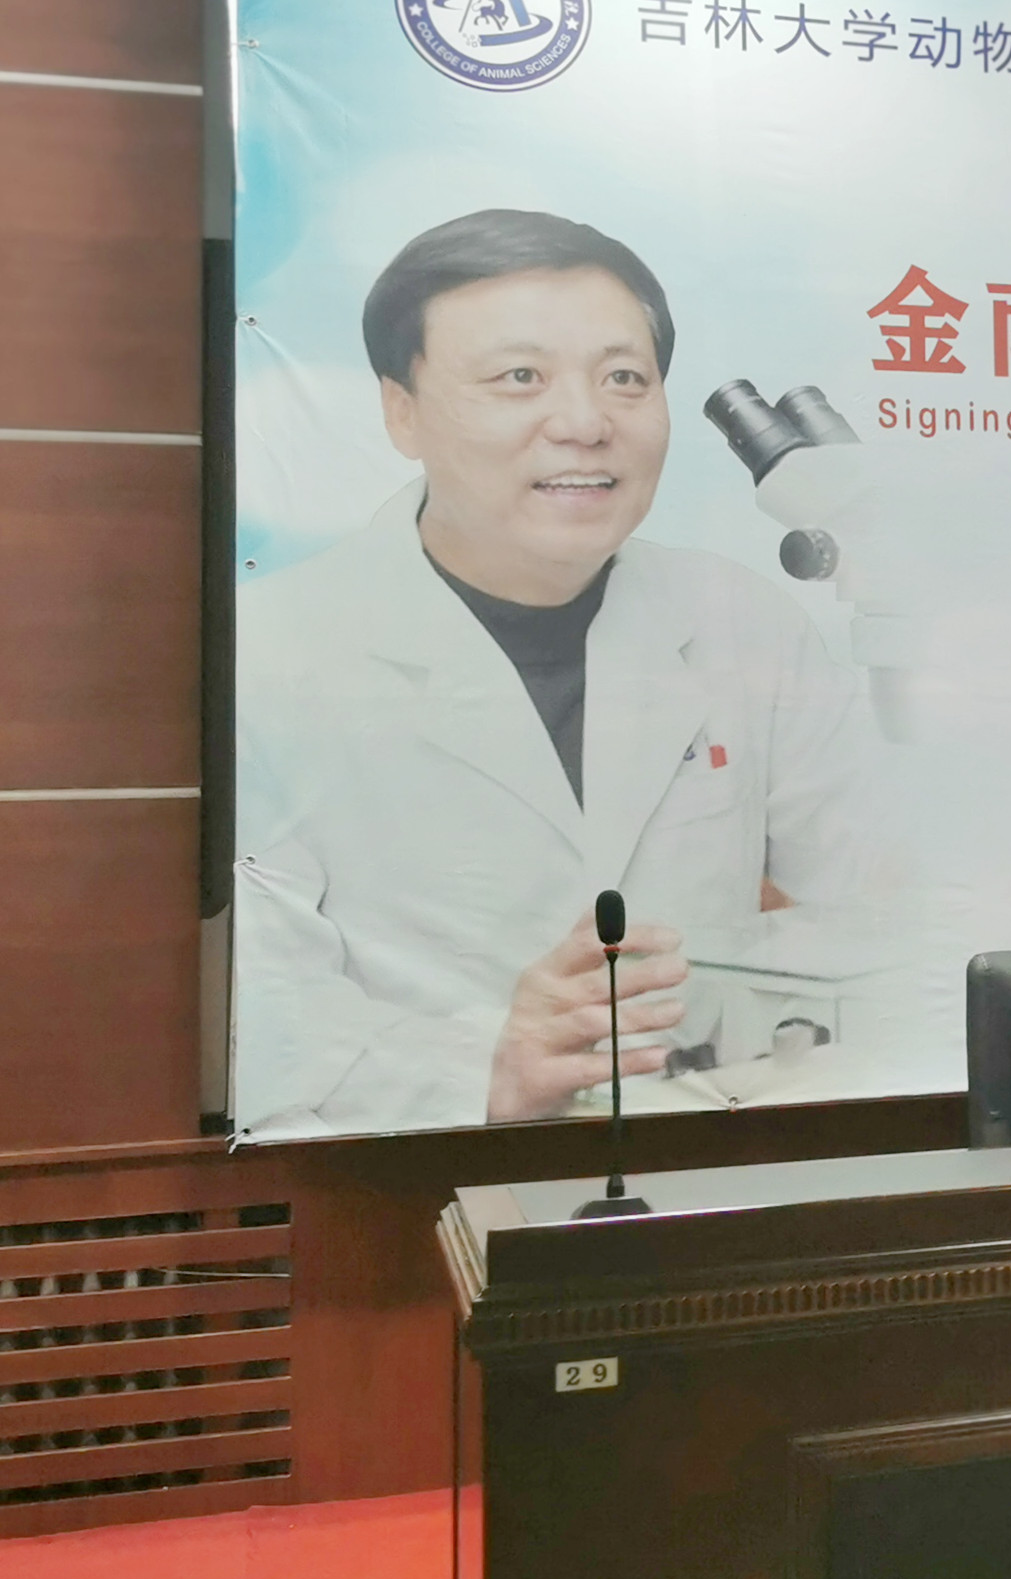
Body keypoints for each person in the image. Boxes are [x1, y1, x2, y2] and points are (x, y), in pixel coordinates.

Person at [233, 209, 883, 1136]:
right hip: (413, 1178)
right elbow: (256, 1007)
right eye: (520, 378)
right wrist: (485, 1067)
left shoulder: (743, 620)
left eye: (624, 379)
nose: (584, 423)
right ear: (401, 410)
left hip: (719, 1153)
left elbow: (874, 906)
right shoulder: (273, 651)